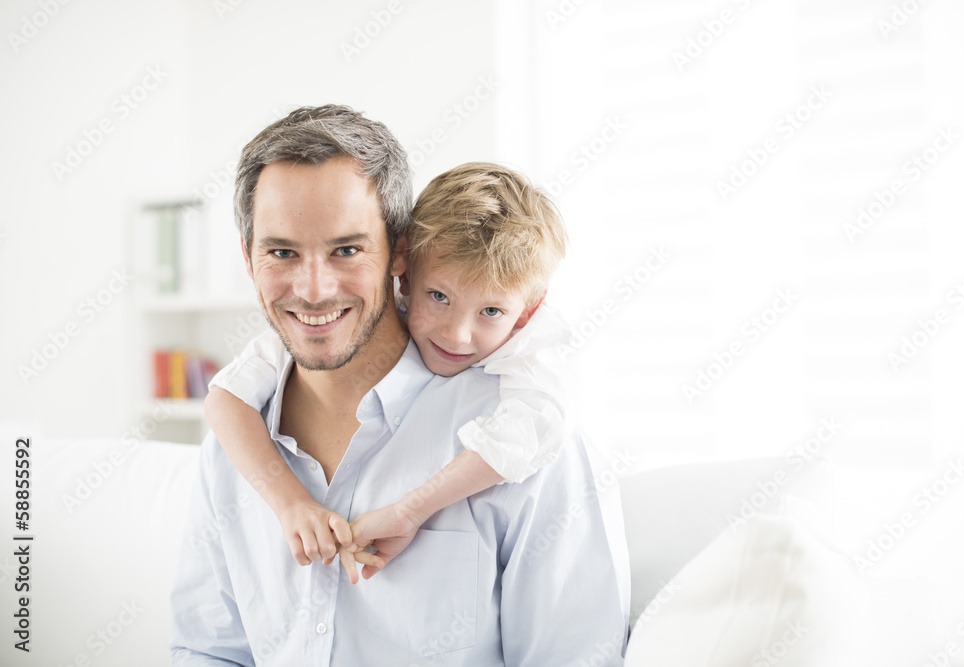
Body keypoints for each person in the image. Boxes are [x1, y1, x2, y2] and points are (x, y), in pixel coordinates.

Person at [169, 105, 630, 665]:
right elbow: (209, 651)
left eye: (347, 249)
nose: (313, 291)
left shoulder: (526, 441)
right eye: (282, 251)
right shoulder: (231, 448)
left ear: (400, 253)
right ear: (249, 258)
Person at [203, 161, 577, 582]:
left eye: (491, 312)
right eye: (438, 296)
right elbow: (224, 397)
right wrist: (290, 503)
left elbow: (529, 434)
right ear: (404, 274)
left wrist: (411, 510)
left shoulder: (532, 361)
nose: (456, 335)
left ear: (527, 312)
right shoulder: (336, 320)